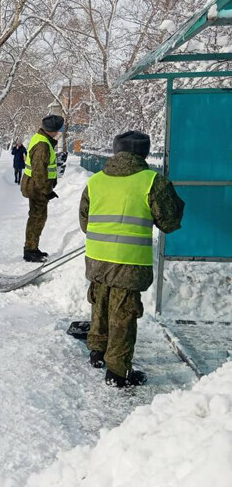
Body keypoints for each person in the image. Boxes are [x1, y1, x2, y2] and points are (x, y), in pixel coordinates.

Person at [79, 131, 184, 387]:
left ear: (116, 151)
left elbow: (85, 222)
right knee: (123, 314)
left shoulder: (96, 181)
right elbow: (170, 222)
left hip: (96, 258)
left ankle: (97, 352)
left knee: (100, 303)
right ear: (145, 153)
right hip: (129, 261)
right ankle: (117, 372)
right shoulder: (152, 182)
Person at [21, 115, 64, 262]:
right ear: (53, 130)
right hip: (37, 188)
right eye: (59, 129)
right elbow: (39, 171)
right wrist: (47, 191)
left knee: (37, 217)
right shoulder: (42, 145)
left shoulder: (42, 139)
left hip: (34, 185)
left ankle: (32, 247)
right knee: (37, 218)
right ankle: (30, 250)